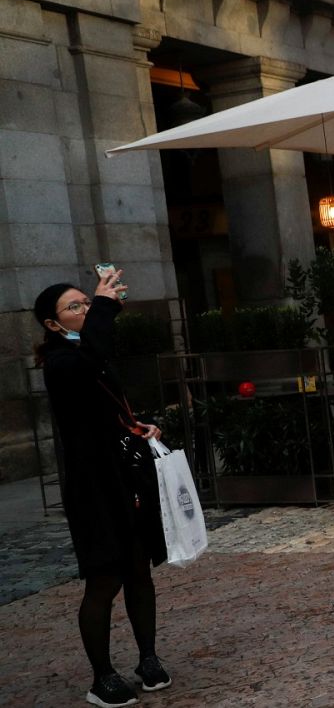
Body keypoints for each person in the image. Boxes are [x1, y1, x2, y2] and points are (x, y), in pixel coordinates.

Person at [35, 274, 173, 707]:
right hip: (92, 487)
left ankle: (148, 659)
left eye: (87, 304)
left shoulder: (88, 353)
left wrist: (137, 426)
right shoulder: (60, 362)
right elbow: (91, 359)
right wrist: (105, 306)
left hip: (123, 475)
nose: (86, 311)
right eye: (76, 307)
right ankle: (102, 677)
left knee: (138, 569)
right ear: (53, 324)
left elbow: (105, 409)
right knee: (104, 578)